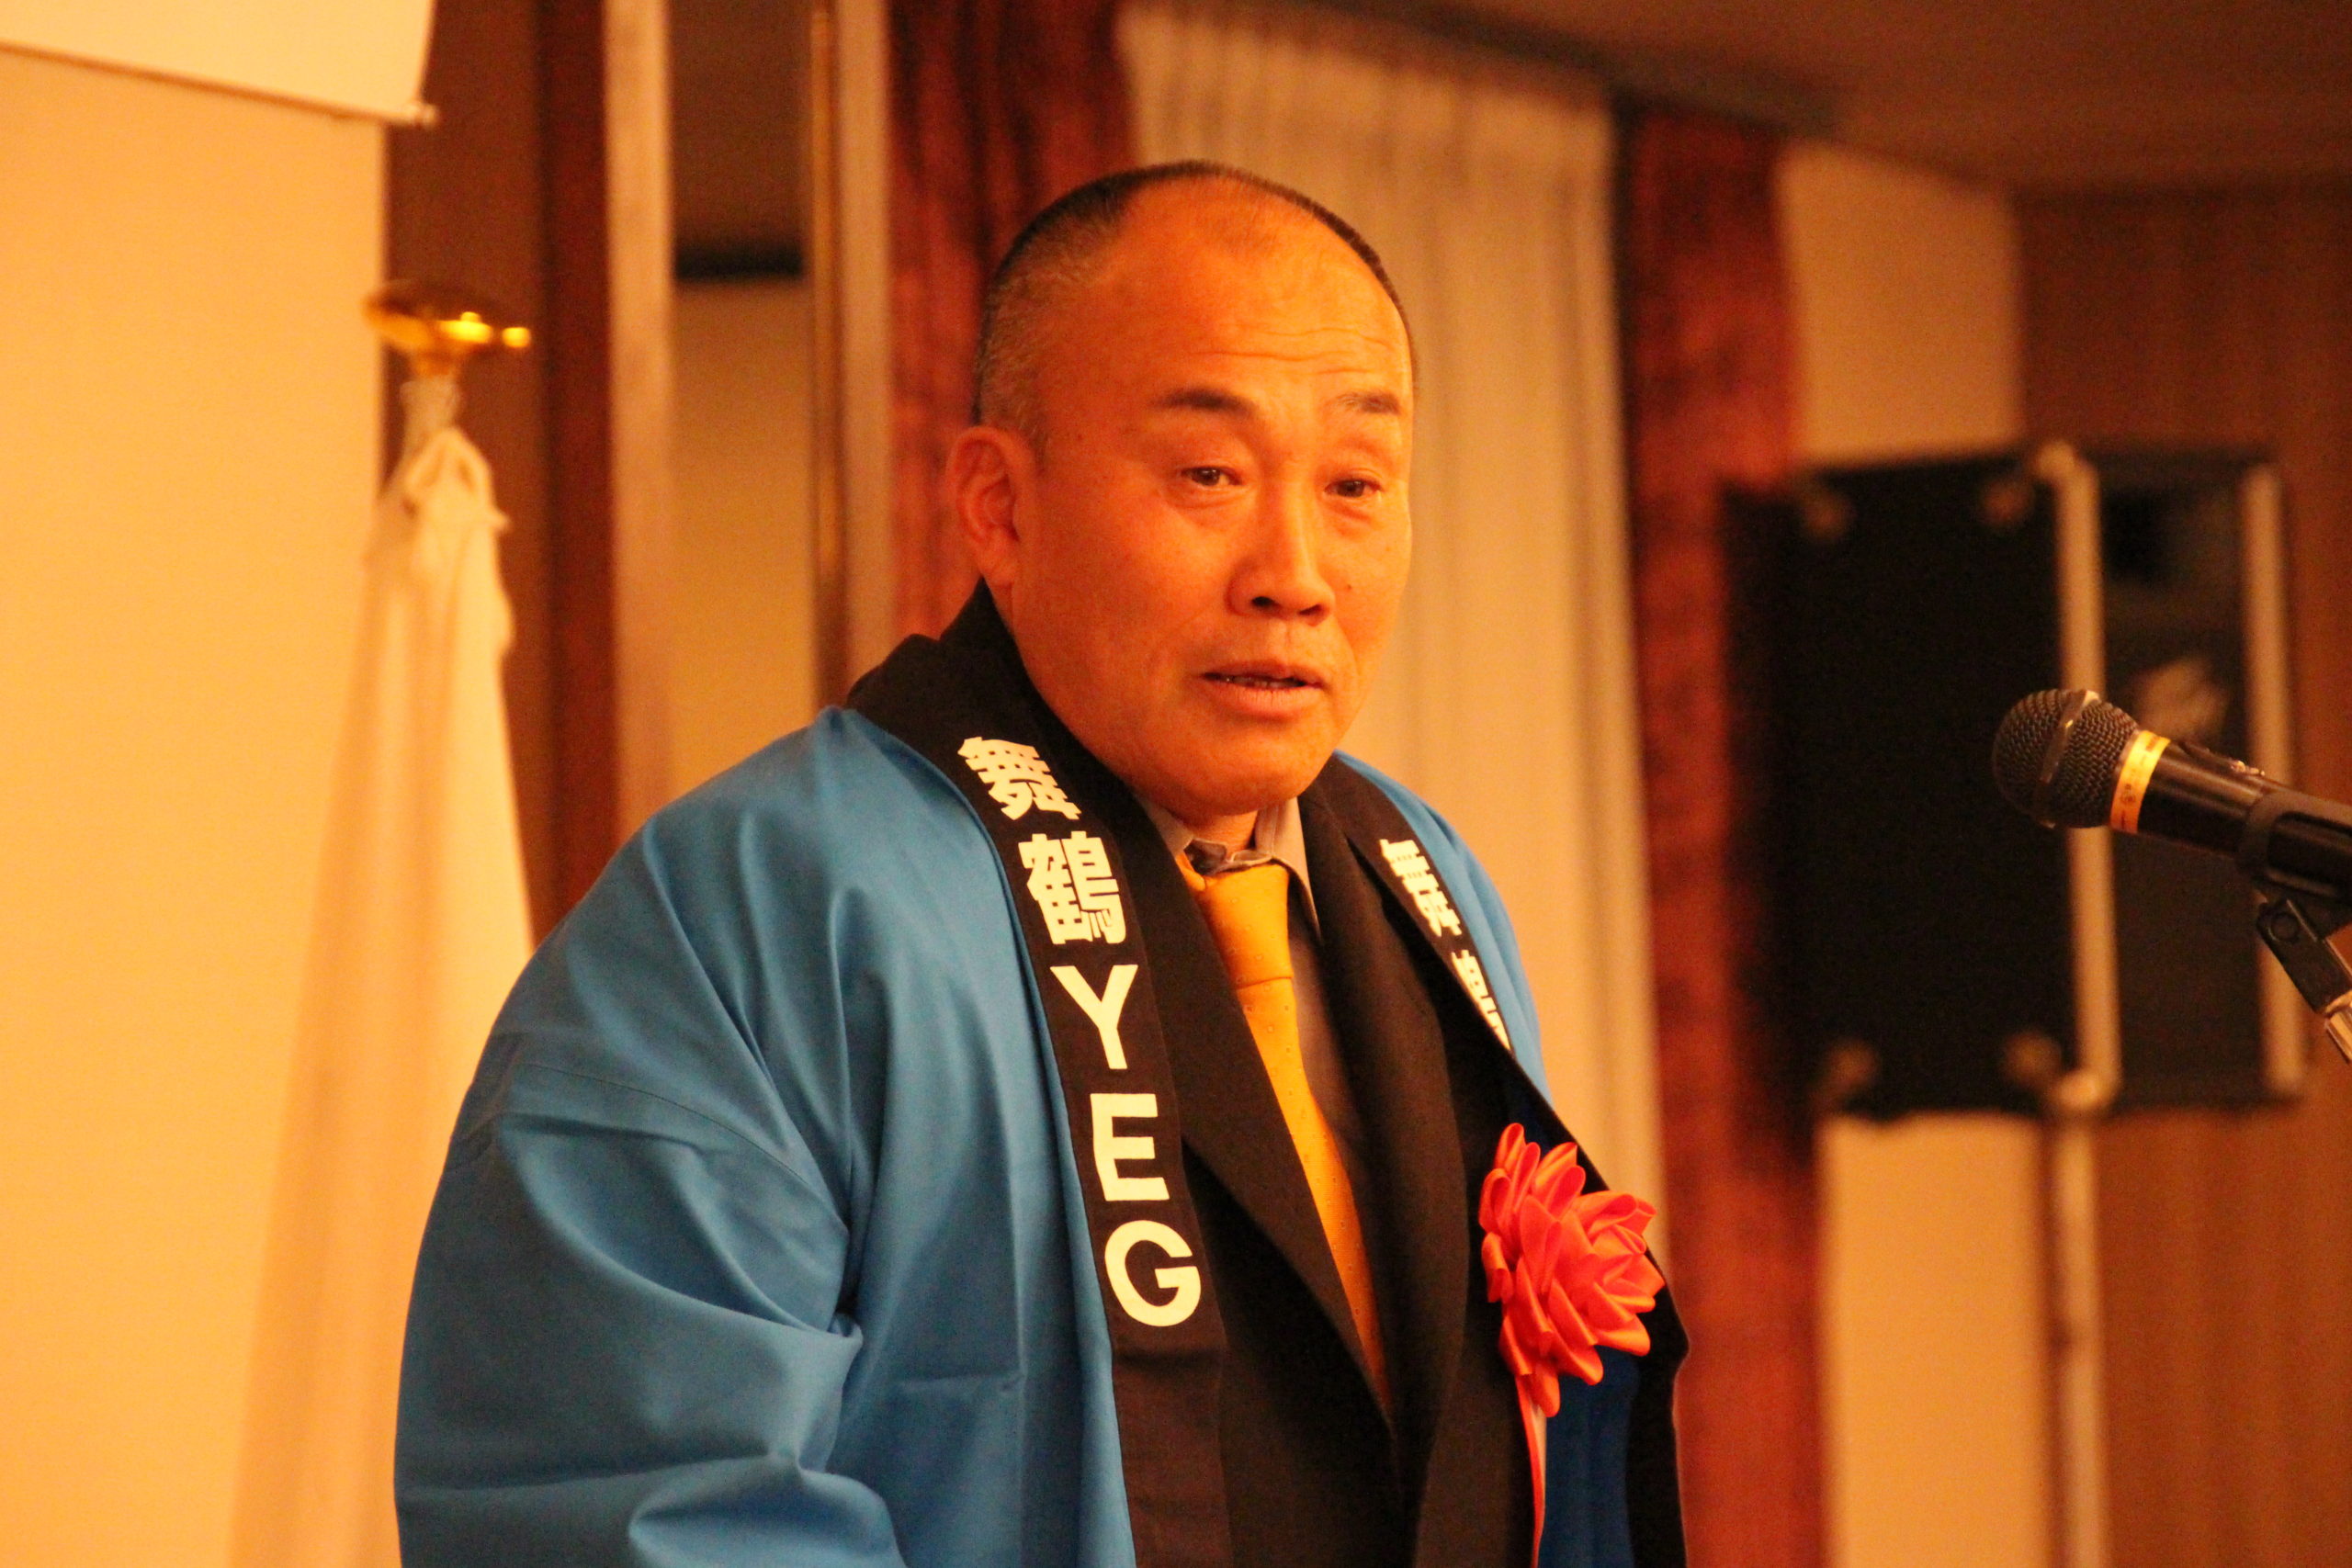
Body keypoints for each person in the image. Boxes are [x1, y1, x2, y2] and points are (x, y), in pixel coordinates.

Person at [396, 162, 1686, 1568]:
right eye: (1210, 475)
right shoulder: (765, 901)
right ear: (1000, 506)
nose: (1295, 572)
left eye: (1357, 485)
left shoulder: (1420, 879)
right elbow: (635, 1503)